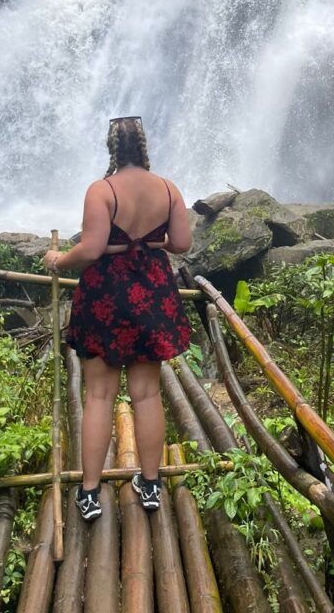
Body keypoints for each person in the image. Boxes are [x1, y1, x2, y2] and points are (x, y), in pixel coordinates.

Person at [42, 116, 192, 522]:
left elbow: (90, 249)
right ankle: (150, 484)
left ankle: (90, 493)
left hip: (106, 296)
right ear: (144, 146)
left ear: (112, 148)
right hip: (152, 294)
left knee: (99, 396)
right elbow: (181, 243)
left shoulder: (102, 190)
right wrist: (150, 242)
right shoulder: (168, 189)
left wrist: (59, 259)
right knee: (146, 394)